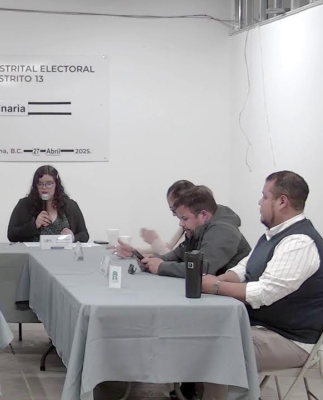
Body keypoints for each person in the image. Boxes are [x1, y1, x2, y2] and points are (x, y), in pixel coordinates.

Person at [201, 171, 323, 400]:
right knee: (203, 332)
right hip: (264, 328)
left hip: (290, 340)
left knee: (217, 349)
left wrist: (214, 286)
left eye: (265, 196)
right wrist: (219, 279)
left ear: (282, 201)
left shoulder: (299, 242)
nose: (259, 202)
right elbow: (244, 267)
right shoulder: (272, 236)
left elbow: (264, 292)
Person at [118, 185, 251, 278]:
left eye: (184, 218)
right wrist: (151, 261)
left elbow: (202, 269)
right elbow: (177, 255)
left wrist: (161, 267)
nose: (180, 224)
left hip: (236, 301)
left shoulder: (223, 231)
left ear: (203, 215)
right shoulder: (198, 228)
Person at [7, 165, 89, 242]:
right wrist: (34, 225)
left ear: (56, 185)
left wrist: (73, 237)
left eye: (49, 184)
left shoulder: (70, 205)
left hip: (62, 251)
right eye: (40, 184)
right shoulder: (24, 204)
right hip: (33, 251)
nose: (44, 188)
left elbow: (84, 235)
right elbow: (11, 235)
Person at [136, 180, 194, 256]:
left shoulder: (194, 228)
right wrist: (134, 251)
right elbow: (169, 247)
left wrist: (155, 240)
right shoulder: (184, 226)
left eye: (174, 209)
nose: (173, 214)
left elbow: (175, 258)